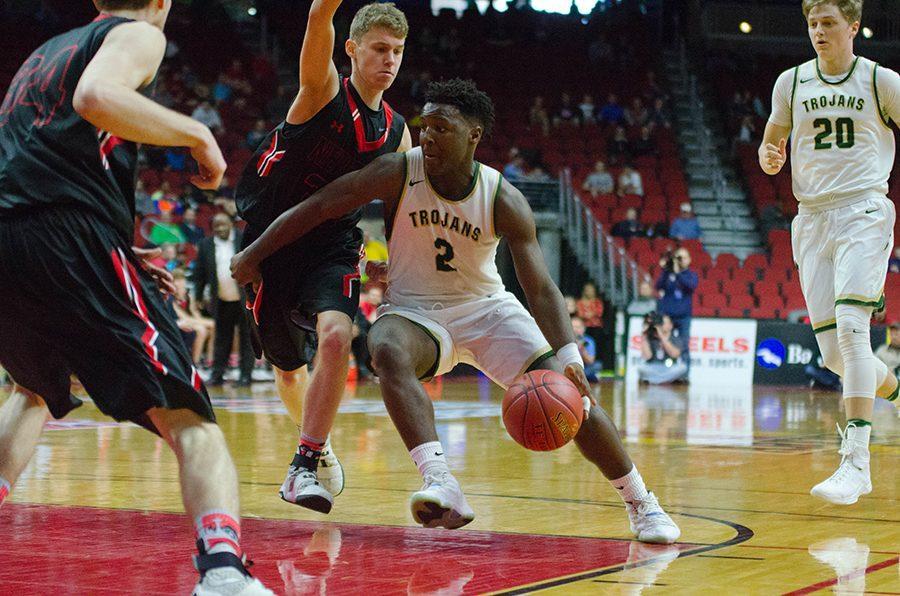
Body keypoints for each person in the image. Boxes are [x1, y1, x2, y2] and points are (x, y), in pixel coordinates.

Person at [232, 78, 680, 544]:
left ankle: (642, 503)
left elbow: (541, 287)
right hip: (416, 313)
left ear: (474, 136)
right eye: (425, 126)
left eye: (442, 129)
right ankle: (440, 480)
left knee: (574, 399)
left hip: (487, 311)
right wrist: (253, 254)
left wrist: (570, 357)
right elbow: (321, 205)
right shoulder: (398, 171)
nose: (427, 136)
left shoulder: (502, 197)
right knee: (385, 346)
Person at [0, 2, 270, 594]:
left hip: (10, 239)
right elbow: (95, 97)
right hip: (66, 236)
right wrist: (200, 134)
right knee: (189, 415)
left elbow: (41, 160)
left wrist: (118, 242)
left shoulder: (42, 56)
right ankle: (224, 573)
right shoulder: (137, 34)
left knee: (31, 390)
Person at [233, 0, 412, 512]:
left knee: (337, 334)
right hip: (269, 241)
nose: (391, 60)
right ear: (352, 49)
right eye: (380, 48)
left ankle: (303, 463)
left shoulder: (398, 132)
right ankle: (321, 443)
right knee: (288, 369)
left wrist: (394, 262)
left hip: (332, 246)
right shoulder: (322, 91)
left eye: (398, 51)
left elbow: (398, 209)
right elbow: (317, 16)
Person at [759, 0, 899, 505]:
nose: (818, 31)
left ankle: (857, 462)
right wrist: (770, 156)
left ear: (853, 27)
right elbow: (770, 145)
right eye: (812, 23)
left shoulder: (881, 81)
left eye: (828, 23)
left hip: (863, 209)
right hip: (811, 218)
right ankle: (898, 390)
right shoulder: (791, 83)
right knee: (836, 356)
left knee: (852, 329)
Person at [193, 214, 254, 387]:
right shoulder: (206, 245)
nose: (220, 229)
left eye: (223, 225)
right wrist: (197, 297)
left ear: (231, 224)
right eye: (216, 226)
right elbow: (199, 274)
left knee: (247, 339)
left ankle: (245, 375)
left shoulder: (244, 239)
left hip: (245, 299)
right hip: (221, 299)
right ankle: (217, 375)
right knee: (221, 340)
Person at [654, 247, 697, 350]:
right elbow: (658, 286)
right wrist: (666, 270)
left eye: (683, 257)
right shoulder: (668, 274)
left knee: (684, 344)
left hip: (683, 316)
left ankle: (684, 366)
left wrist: (678, 273)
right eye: (679, 257)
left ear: (689, 259)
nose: (681, 260)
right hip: (668, 316)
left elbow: (690, 286)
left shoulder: (691, 275)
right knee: (666, 343)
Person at [172, 269, 216, 367]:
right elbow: (184, 317)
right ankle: (195, 363)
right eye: (177, 280)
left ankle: (210, 360)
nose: (180, 283)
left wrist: (204, 322)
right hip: (180, 322)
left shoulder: (188, 296)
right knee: (202, 329)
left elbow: (195, 314)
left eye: (182, 280)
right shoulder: (171, 298)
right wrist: (204, 323)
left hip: (190, 320)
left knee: (213, 326)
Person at [638, 313, 688, 384]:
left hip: (669, 368)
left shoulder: (675, 339)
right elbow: (647, 357)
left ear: (670, 326)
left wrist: (661, 335)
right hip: (653, 367)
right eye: (660, 323)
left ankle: (655, 380)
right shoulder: (651, 338)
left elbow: (674, 354)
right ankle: (665, 381)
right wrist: (644, 335)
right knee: (641, 368)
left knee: (682, 368)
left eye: (663, 323)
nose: (661, 325)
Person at [571, 316, 601, 382]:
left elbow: (590, 361)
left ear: (583, 329)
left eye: (578, 327)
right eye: (573, 327)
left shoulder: (589, 341)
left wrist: (582, 350)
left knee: (598, 365)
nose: (575, 330)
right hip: (570, 367)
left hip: (584, 368)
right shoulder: (566, 341)